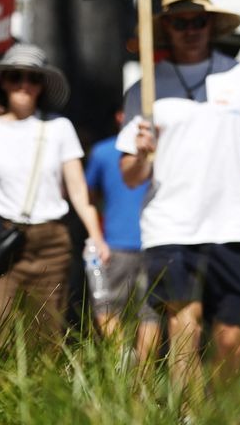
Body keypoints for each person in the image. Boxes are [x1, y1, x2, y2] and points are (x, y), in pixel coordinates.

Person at [117, 0, 240, 393]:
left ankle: (219, 408)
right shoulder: (144, 91)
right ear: (166, 29)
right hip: (170, 228)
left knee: (231, 337)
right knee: (184, 328)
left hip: (234, 226)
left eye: (198, 21)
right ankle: (189, 416)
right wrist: (143, 154)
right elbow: (129, 174)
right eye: (179, 23)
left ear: (212, 26)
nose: (190, 30)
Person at [0, 44, 110, 347]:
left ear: (42, 86)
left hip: (50, 242)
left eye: (33, 78)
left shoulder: (59, 127)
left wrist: (96, 236)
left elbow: (78, 191)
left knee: (46, 335)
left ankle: (40, 395)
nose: (24, 84)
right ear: (3, 82)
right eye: (16, 76)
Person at [86, 106, 159, 359]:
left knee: (111, 308)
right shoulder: (103, 152)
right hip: (120, 244)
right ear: (119, 117)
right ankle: (137, 375)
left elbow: (88, 198)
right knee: (148, 312)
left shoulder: (102, 151)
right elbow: (89, 197)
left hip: (140, 242)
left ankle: (126, 370)